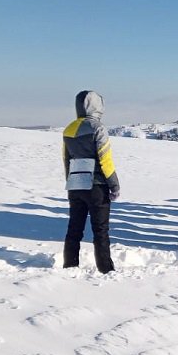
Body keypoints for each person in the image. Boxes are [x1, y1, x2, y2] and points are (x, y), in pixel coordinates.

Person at [62, 90, 121, 274]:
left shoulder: (69, 129)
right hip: (97, 186)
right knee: (100, 230)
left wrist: (70, 182)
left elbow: (66, 159)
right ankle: (106, 269)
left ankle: (70, 265)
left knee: (74, 228)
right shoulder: (98, 128)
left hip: (75, 184)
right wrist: (114, 184)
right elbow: (105, 159)